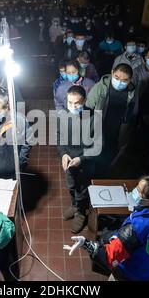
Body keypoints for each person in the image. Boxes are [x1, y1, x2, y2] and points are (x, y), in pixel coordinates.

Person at [64, 175, 149, 281]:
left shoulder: (137, 227)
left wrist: (86, 243)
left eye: (139, 191)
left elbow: (109, 257)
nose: (134, 191)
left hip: (131, 274)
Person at [85, 63, 138, 177]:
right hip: (97, 130)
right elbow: (87, 109)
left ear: (130, 80)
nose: (120, 82)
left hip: (116, 132)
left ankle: (103, 176)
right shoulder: (100, 87)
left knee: (108, 159)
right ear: (112, 72)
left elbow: (131, 114)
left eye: (124, 80)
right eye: (117, 78)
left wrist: (125, 134)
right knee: (93, 158)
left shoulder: (132, 92)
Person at [58, 86, 97, 233]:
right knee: (71, 186)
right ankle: (74, 205)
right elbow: (59, 136)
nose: (73, 106)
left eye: (77, 103)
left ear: (85, 101)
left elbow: (99, 145)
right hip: (69, 162)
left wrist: (81, 158)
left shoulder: (95, 118)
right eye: (70, 103)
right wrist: (63, 154)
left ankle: (81, 213)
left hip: (85, 164)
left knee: (82, 189)